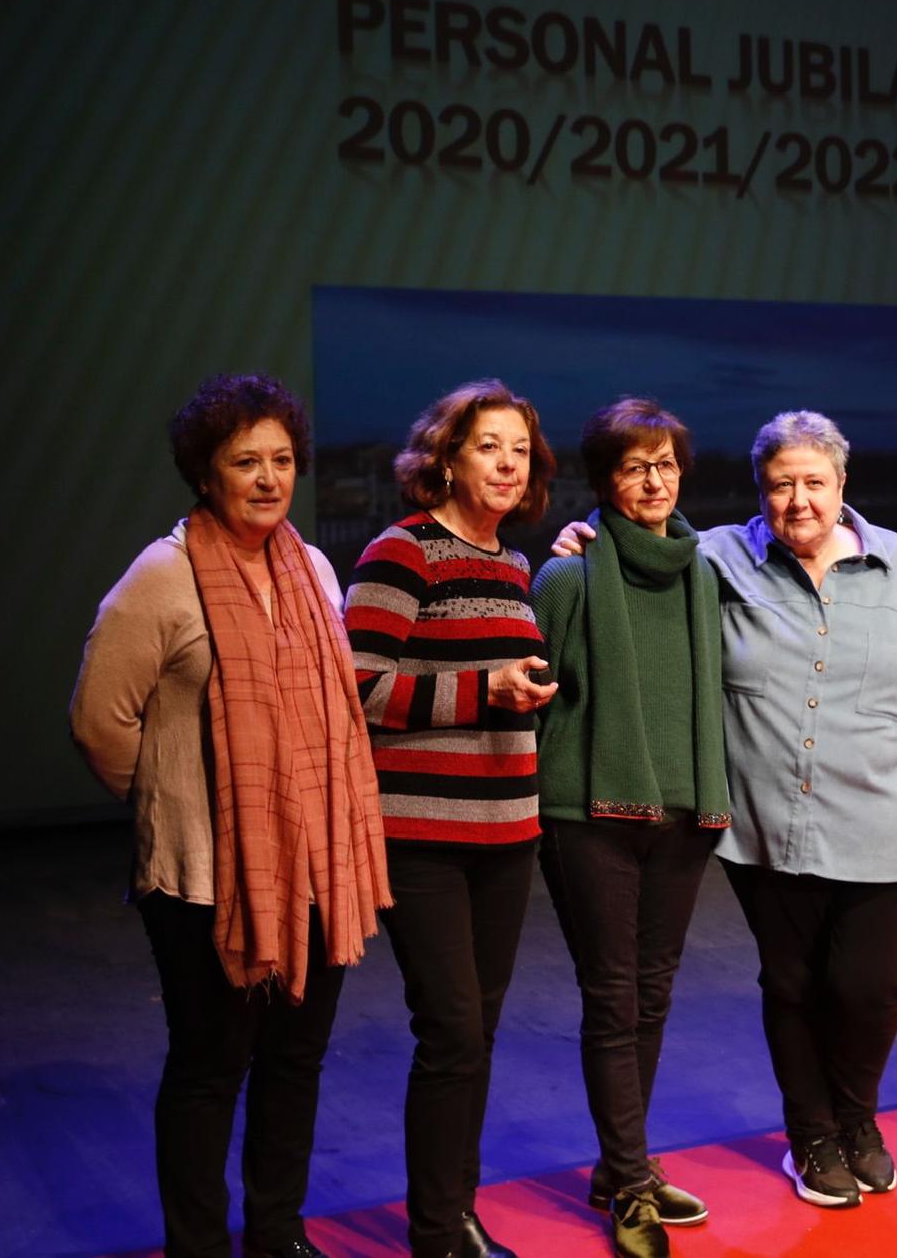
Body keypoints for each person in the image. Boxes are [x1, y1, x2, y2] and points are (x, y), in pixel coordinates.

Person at [556, 408, 897, 1211]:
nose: (799, 499)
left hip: (893, 822)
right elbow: (642, 556)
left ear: (843, 487)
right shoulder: (717, 560)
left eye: (815, 481)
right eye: (781, 484)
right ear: (759, 492)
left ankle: (857, 1117)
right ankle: (812, 1134)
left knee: (873, 984)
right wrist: (582, 544)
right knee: (793, 984)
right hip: (773, 825)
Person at [71, 373, 391, 1258]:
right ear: (203, 472)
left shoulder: (313, 567)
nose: (267, 477)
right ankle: (200, 1244)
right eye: (244, 460)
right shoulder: (163, 575)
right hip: (202, 878)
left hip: (315, 866)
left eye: (282, 460)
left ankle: (278, 1232)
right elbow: (100, 721)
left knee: (294, 1062)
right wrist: (178, 798)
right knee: (211, 1070)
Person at [344, 380, 558, 1258]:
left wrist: (527, 696)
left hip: (506, 832)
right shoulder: (402, 552)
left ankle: (454, 1211)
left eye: (519, 451)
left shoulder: (512, 564)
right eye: (488, 447)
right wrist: (486, 688)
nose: (507, 464)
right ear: (445, 458)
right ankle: (439, 1228)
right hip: (422, 833)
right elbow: (356, 687)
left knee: (478, 1033)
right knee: (454, 1029)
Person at [530, 399, 731, 1258]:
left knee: (651, 992)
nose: (653, 480)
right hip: (591, 813)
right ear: (605, 480)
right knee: (613, 995)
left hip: (684, 812)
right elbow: (535, 710)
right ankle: (631, 1180)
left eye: (666, 464)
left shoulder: (702, 568)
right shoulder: (568, 577)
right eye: (634, 466)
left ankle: (624, 1167)